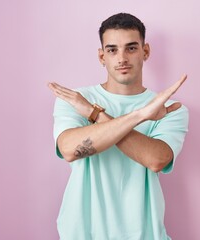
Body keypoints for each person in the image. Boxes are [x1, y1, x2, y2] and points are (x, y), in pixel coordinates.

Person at [48, 12, 189, 240]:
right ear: (102, 56)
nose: (121, 58)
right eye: (112, 50)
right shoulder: (75, 99)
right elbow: (69, 149)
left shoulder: (169, 108)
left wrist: (94, 114)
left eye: (131, 48)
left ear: (146, 52)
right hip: (83, 234)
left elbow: (156, 160)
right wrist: (141, 116)